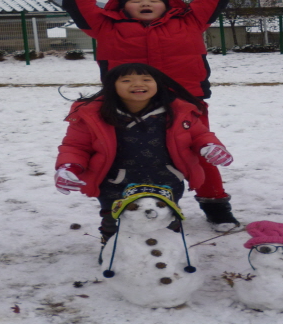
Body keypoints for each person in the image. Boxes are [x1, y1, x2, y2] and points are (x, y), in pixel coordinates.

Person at [36, 0, 251, 229]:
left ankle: (216, 204)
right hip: (126, 104)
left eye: (153, 0)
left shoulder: (191, 21)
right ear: (123, 7)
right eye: (137, 0)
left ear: (167, 5)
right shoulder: (105, 26)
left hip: (184, 103)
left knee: (203, 150)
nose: (145, 3)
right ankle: (124, 205)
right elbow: (81, 2)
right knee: (123, 154)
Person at [54, 63, 234, 244]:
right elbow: (75, 146)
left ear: (158, 84)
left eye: (146, 79)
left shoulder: (179, 111)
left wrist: (210, 146)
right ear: (111, 86)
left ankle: (171, 253)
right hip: (114, 182)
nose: (137, 84)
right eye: (126, 80)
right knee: (115, 221)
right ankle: (114, 253)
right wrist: (69, 166)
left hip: (166, 179)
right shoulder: (93, 115)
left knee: (166, 218)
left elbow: (200, 135)